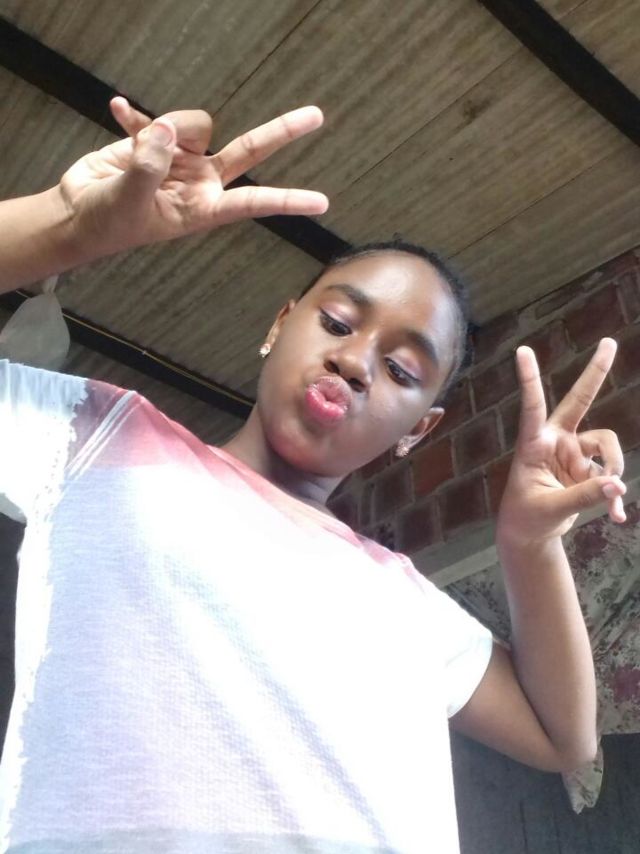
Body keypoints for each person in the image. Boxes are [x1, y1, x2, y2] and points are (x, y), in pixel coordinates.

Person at [0, 98, 627, 854]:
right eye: (336, 323)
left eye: (401, 370)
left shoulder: (403, 598)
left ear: (418, 430)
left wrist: (530, 545)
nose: (355, 362)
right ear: (279, 325)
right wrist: (67, 224)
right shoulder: (97, 436)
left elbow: (565, 740)